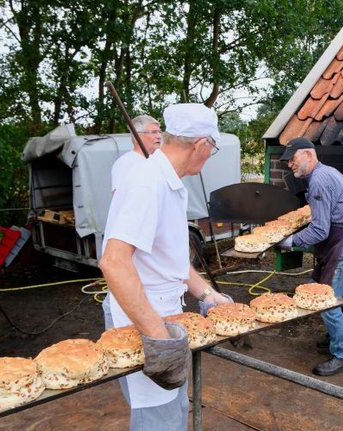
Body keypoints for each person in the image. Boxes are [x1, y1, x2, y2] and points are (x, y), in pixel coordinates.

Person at [99, 103, 232, 431]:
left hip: (164, 318)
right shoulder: (147, 182)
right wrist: (159, 339)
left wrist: (208, 294)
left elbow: (169, 258)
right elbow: (114, 262)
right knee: (158, 419)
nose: (210, 155)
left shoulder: (168, 181)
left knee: (174, 410)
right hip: (142, 321)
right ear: (200, 144)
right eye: (212, 148)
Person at [278, 137, 343, 376]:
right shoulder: (326, 173)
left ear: (309, 154)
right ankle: (335, 335)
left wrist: (290, 241)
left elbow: (320, 230)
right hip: (341, 245)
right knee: (317, 288)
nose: (290, 164)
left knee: (326, 301)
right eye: (288, 161)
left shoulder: (319, 180)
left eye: (293, 159)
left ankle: (341, 355)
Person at [111, 114, 162, 194]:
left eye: (160, 132)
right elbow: (118, 196)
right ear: (138, 135)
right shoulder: (125, 163)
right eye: (154, 132)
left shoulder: (158, 160)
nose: (159, 136)